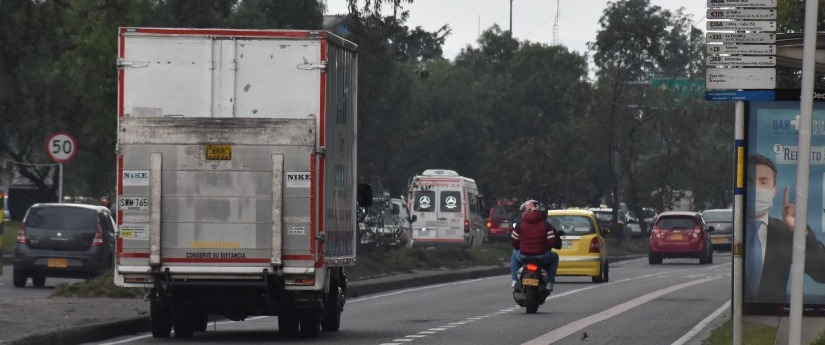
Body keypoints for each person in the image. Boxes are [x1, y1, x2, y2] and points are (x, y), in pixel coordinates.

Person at [746, 154, 825, 303]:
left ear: (774, 190)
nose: (756, 188)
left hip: (774, 315)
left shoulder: (784, 232)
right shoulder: (736, 232)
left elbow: (822, 273)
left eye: (763, 182)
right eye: (749, 182)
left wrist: (801, 231)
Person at [510, 199, 560, 292]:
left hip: (523, 255)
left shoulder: (520, 224)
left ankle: (514, 280)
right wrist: (546, 247)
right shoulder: (546, 224)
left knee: (514, 254)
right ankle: (549, 283)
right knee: (555, 257)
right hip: (542, 255)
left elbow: (514, 241)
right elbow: (552, 242)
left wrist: (519, 247)